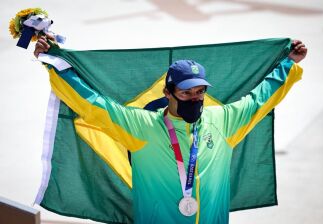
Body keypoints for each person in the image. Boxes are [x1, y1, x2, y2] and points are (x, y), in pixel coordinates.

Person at [34, 36, 307, 224]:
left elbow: (260, 98)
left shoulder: (223, 120)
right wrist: (55, 63)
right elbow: (94, 104)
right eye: (187, 92)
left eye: (201, 91)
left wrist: (289, 63)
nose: (196, 98)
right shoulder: (142, 127)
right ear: (168, 92)